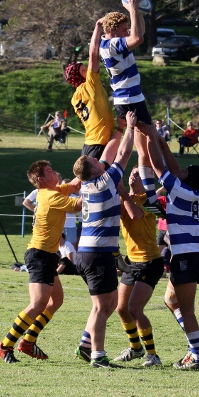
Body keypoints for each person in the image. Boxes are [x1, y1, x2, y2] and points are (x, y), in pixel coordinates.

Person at [0, 161, 82, 363]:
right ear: (41, 180)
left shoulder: (53, 190)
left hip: (48, 255)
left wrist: (92, 171)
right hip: (39, 254)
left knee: (56, 300)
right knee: (38, 304)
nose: (55, 174)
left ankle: (28, 341)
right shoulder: (51, 195)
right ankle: (4, 345)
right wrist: (99, 191)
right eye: (50, 172)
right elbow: (77, 205)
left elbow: (75, 184)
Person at [73, 111, 137, 369]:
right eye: (94, 159)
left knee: (109, 302)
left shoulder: (90, 181)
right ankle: (98, 356)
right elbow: (122, 155)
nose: (99, 159)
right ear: (94, 168)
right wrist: (131, 128)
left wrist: (118, 130)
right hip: (96, 254)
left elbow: (110, 154)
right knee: (102, 306)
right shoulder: (105, 181)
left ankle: (86, 344)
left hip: (93, 251)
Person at [144, 123, 199, 370]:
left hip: (187, 256)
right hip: (187, 255)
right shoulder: (188, 189)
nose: (179, 171)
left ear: (187, 177)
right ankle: (195, 348)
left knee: (187, 310)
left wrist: (149, 138)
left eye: (185, 170)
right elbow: (171, 165)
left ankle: (197, 355)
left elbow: (160, 167)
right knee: (170, 300)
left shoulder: (181, 189)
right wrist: (161, 141)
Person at [97, 0, 161, 212]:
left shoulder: (109, 41)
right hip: (130, 99)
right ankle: (159, 188)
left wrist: (139, 12)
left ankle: (150, 197)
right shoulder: (112, 44)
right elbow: (138, 38)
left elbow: (136, 33)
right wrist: (132, 9)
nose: (128, 33)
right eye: (124, 30)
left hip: (128, 98)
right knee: (151, 138)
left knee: (142, 148)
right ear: (114, 31)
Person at [113, 167, 164, 366]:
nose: (134, 174)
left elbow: (134, 215)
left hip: (150, 262)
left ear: (148, 180)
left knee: (135, 309)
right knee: (121, 309)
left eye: (139, 173)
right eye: (133, 171)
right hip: (132, 262)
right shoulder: (122, 199)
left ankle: (153, 355)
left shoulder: (150, 201)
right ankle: (136, 348)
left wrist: (122, 192)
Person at [63, 24, 115, 160]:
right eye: (83, 70)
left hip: (90, 143)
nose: (87, 70)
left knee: (87, 180)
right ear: (79, 76)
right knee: (108, 180)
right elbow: (93, 54)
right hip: (101, 143)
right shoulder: (91, 84)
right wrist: (98, 27)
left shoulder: (75, 97)